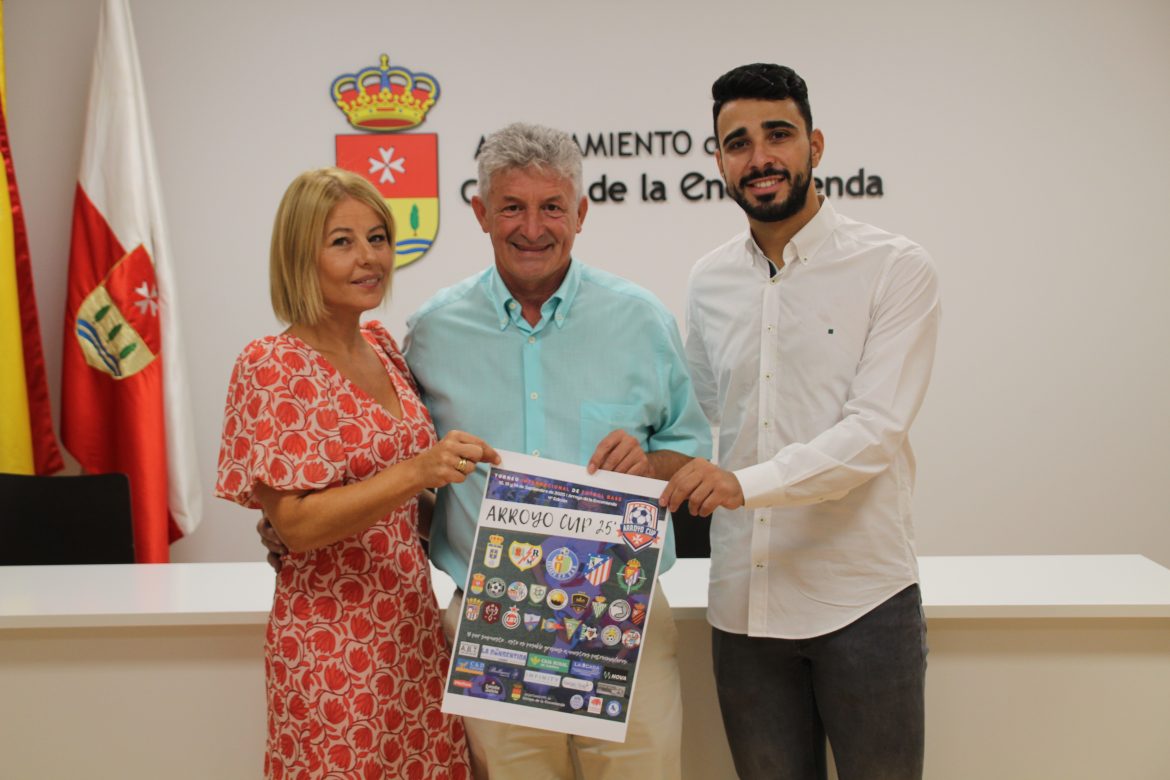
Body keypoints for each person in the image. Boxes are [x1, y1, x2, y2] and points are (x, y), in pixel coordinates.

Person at [402, 122, 711, 779]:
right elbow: (410, 475)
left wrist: (650, 464)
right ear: (480, 212)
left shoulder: (641, 321)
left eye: (552, 207)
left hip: (618, 614)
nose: (533, 228)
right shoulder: (432, 333)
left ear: (582, 212)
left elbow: (690, 457)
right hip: (493, 615)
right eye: (512, 206)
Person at [660, 64, 941, 780]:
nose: (760, 158)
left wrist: (742, 486)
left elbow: (874, 431)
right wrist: (642, 459)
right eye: (738, 142)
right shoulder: (709, 279)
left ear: (815, 144)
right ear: (718, 160)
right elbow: (700, 422)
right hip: (743, 607)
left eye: (777, 135)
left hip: (862, 599)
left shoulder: (894, 268)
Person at [217, 168, 498, 779]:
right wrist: (418, 471)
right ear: (300, 254)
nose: (369, 258)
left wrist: (497, 521)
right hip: (331, 645)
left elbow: (398, 511)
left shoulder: (382, 346)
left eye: (378, 237)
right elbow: (293, 526)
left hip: (413, 630)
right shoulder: (271, 365)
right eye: (342, 241)